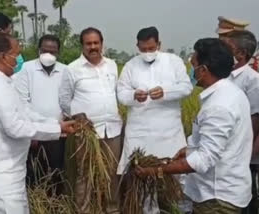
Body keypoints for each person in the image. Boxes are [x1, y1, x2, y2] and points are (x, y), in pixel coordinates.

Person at [136, 38, 252, 214]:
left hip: (217, 197)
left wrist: (157, 170)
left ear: (203, 70)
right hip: (226, 190)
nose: (191, 70)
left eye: (193, 65)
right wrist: (189, 150)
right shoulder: (232, 92)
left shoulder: (219, 106)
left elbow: (204, 159)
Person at [0, 33, 75, 214]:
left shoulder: (2, 82)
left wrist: (57, 124)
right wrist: (55, 130)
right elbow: (15, 126)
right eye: (16, 54)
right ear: (3, 56)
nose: (19, 59)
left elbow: (24, 111)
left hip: (5, 174)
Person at [116, 26, 192, 213]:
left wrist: (165, 92)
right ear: (137, 46)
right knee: (143, 178)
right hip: (140, 133)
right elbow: (121, 94)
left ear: (159, 44)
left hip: (169, 132)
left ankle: (181, 209)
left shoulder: (173, 62)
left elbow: (186, 87)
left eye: (151, 48)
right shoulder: (130, 65)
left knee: (178, 177)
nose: (147, 53)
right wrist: (134, 95)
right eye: (143, 49)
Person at [59, 27, 123, 214]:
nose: (93, 47)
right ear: (82, 46)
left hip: (112, 129)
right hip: (86, 132)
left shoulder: (111, 65)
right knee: (84, 175)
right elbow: (64, 101)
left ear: (102, 44)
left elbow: (116, 94)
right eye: (89, 43)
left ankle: (113, 210)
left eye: (96, 43)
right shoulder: (72, 69)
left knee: (112, 174)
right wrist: (77, 116)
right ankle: (83, 210)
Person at [13, 34, 68, 193]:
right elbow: (22, 103)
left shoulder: (65, 71)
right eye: (45, 51)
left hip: (59, 134)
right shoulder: (26, 69)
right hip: (34, 135)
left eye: (53, 51)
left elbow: (66, 100)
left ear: (58, 52)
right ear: (38, 50)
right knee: (34, 175)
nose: (48, 55)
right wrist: (37, 130)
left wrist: (60, 125)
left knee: (56, 175)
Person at [222, 30, 259, 214]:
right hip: (228, 153)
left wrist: (248, 153)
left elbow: (256, 119)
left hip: (245, 155)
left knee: (246, 199)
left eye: (228, 48)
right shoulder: (225, 76)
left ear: (241, 54)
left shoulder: (253, 80)